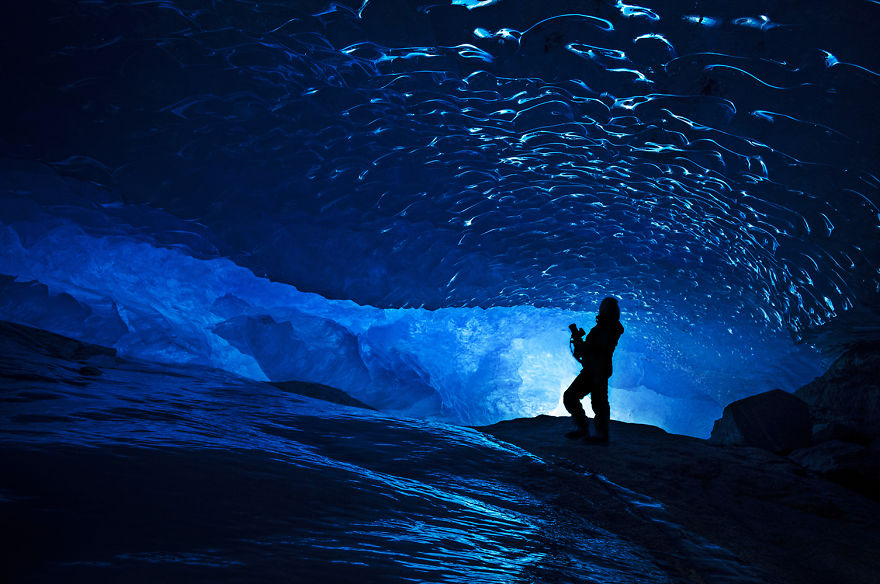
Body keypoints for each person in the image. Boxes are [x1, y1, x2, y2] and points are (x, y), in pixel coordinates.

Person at [563, 297, 624, 442]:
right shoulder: (606, 326)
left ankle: (592, 431)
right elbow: (593, 347)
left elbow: (596, 347)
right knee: (595, 401)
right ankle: (589, 430)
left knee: (592, 401)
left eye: (603, 306)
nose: (600, 308)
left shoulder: (607, 327)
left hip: (597, 369)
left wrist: (579, 343)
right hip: (595, 368)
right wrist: (581, 345)